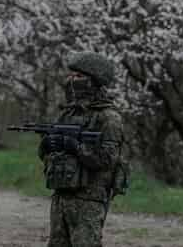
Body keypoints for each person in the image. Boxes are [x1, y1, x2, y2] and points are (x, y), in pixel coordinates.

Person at [39, 52, 129, 247]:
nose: (72, 80)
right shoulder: (67, 114)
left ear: (94, 81)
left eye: (79, 76)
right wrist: (47, 145)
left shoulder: (108, 117)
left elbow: (107, 159)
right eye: (72, 76)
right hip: (61, 196)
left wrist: (75, 147)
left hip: (89, 198)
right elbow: (48, 155)